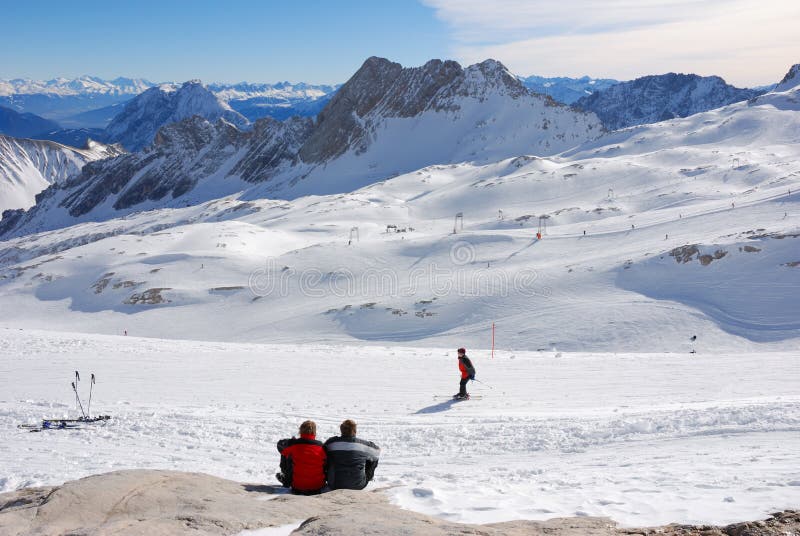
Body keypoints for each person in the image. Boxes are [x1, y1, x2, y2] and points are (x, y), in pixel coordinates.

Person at [324, 419, 380, 490]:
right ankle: (367, 477)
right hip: (358, 485)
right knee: (372, 457)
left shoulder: (332, 442)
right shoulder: (362, 444)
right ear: (355, 430)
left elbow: (322, 452)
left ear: (341, 430)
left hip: (335, 484)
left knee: (327, 456)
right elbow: (377, 452)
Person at [276, 420, 327, 495]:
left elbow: (280, 446)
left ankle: (286, 479)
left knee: (288, 454)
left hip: (297, 487)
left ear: (300, 431)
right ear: (314, 432)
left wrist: (290, 442)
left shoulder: (294, 444)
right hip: (317, 487)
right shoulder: (321, 447)